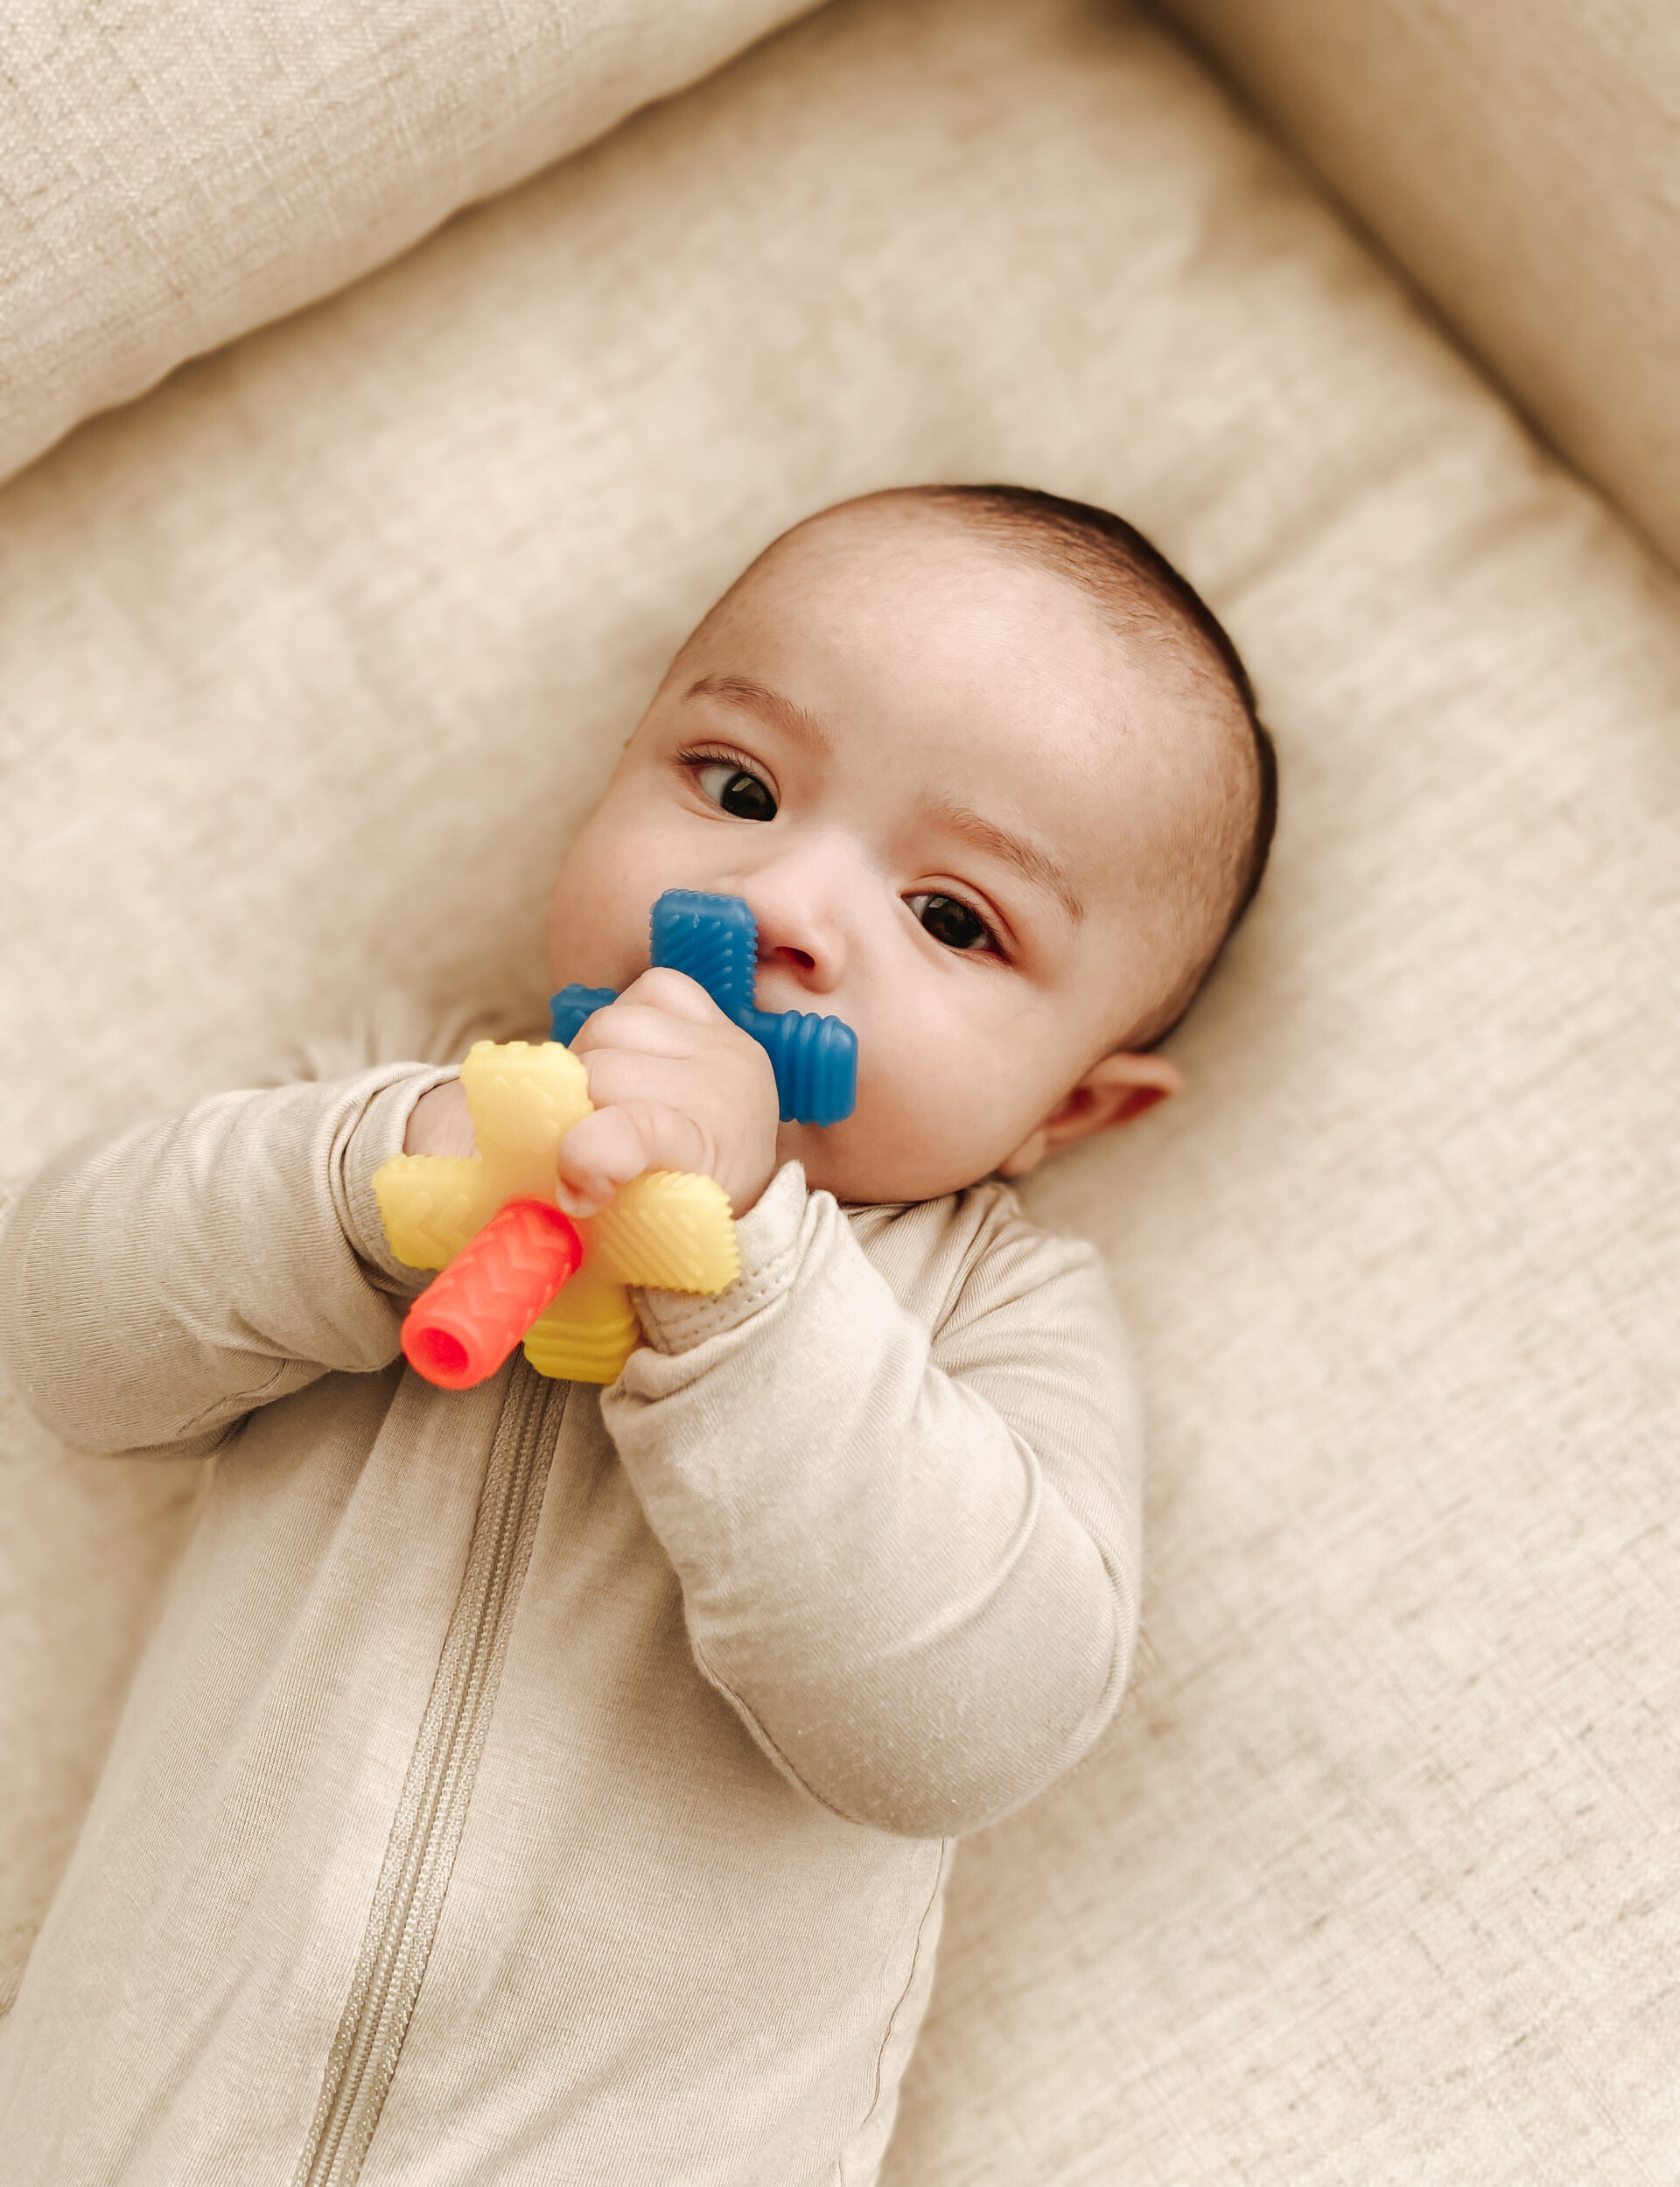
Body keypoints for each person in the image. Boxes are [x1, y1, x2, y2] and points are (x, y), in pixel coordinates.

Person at [0, 484, 1276, 2185]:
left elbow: (966, 1722)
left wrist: (738, 1272)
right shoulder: (403, 1100)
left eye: (953, 916)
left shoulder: (991, 1316)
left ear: (1078, 1107)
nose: (780, 899)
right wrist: (385, 1184)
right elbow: (69, 1338)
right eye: (737, 787)